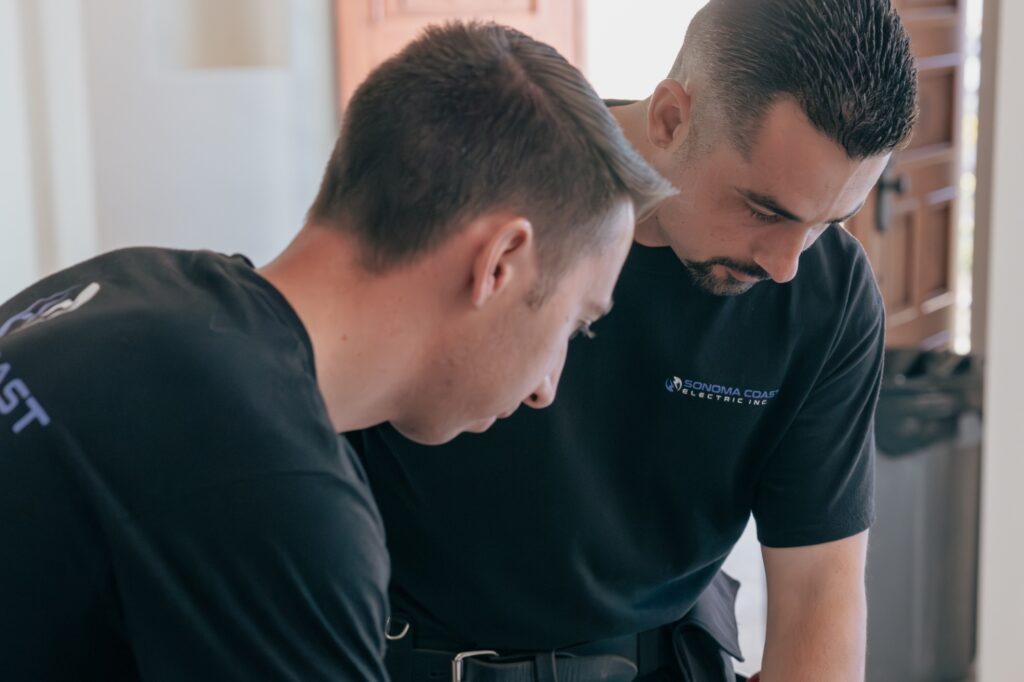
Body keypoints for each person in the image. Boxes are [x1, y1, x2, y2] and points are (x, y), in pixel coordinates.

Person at [0, 22, 673, 681]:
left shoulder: (124, 284)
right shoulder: (278, 495)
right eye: (574, 324)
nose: (546, 387)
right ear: (499, 262)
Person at [350, 1, 919, 680]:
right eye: (764, 210)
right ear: (672, 118)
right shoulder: (474, 179)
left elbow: (820, 587)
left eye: (829, 221)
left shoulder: (829, 294)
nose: (786, 266)